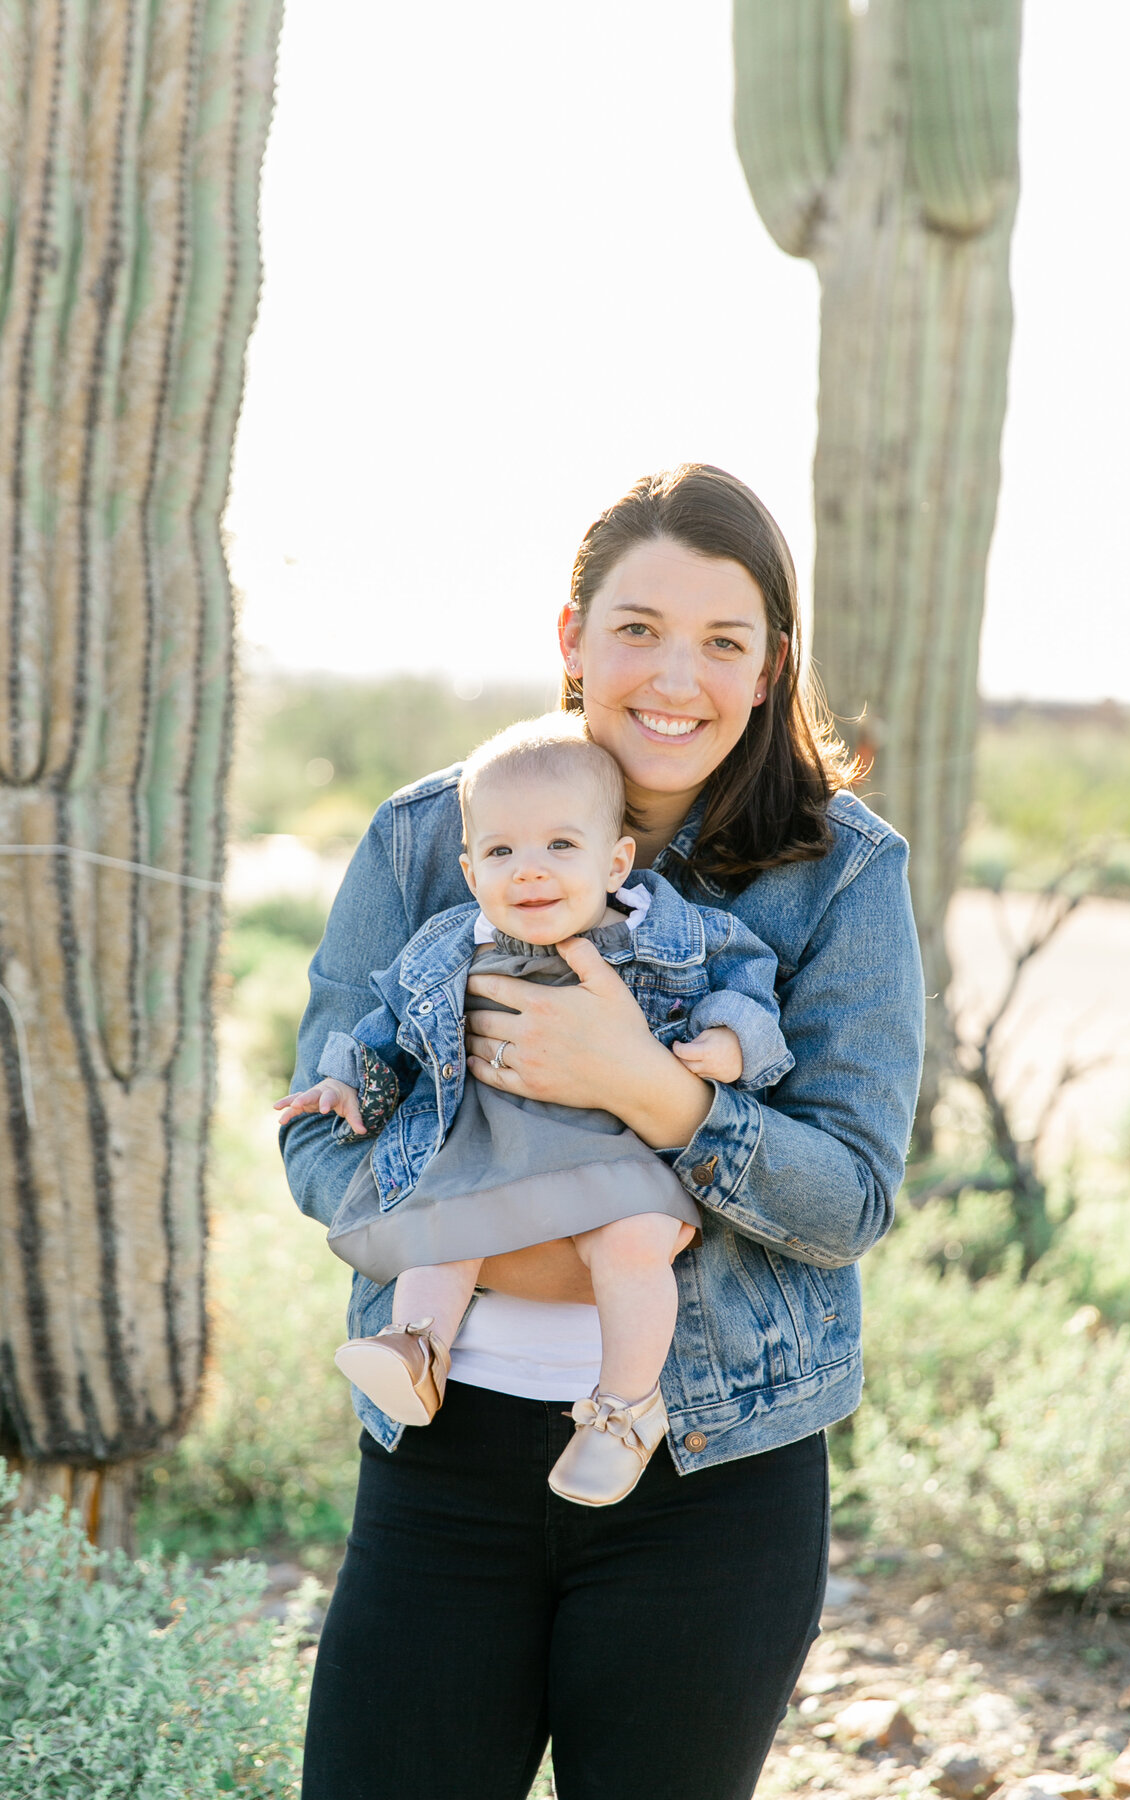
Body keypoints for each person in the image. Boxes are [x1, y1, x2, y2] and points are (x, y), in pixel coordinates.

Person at [282, 464, 925, 1800]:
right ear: (571, 639)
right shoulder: (424, 838)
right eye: (637, 628)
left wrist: (654, 1094)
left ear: (769, 669)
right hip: (444, 1453)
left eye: (723, 641)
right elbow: (318, 1144)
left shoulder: (842, 873)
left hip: (711, 1480)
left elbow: (851, 1197)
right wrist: (485, 1203)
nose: (673, 676)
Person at [275, 716, 793, 1506]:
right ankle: (417, 1349)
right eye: (501, 852)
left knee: (631, 1248)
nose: (531, 872)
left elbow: (744, 975)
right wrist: (349, 1080)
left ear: (616, 859)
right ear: (471, 870)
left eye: (560, 847)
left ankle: (624, 1406)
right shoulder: (452, 945)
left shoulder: (667, 934)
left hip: (622, 1151)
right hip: (491, 1147)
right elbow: (390, 1022)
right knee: (440, 1226)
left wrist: (731, 1040)